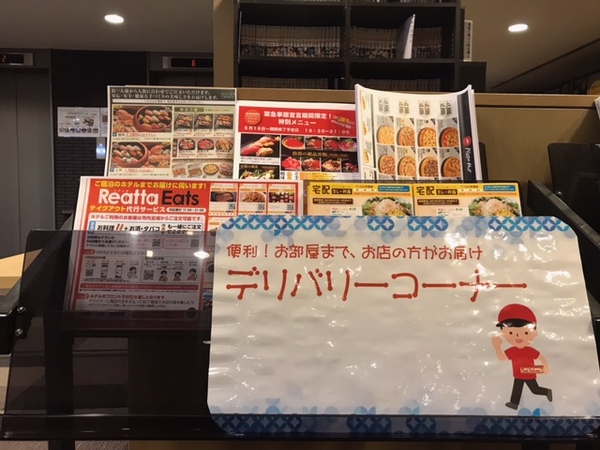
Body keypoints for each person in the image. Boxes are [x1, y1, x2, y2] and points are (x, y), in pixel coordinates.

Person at [491, 303, 552, 410]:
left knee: (535, 389)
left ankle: (546, 391)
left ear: (534, 333)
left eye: (525, 333)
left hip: (528, 373)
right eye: (511, 332)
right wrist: (497, 347)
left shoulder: (529, 350)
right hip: (518, 373)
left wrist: (545, 366)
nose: (518, 336)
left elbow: (541, 357)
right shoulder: (512, 350)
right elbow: (501, 358)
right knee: (517, 389)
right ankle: (514, 403)